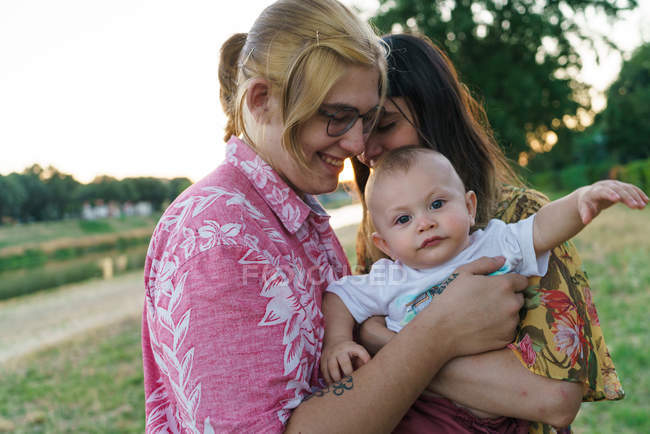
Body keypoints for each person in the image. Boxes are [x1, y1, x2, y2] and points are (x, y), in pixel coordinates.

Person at [141, 2, 530, 433]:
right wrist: (436, 334)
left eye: (365, 120)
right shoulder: (216, 239)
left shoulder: (291, 209)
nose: (357, 144)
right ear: (261, 100)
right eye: (338, 116)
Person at [351, 33, 626, 433]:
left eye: (386, 125)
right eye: (360, 130)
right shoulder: (378, 241)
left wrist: (384, 342)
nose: (364, 148)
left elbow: (555, 399)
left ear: (434, 114)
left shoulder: (520, 216)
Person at [323, 146, 647, 429]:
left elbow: (542, 228)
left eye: (437, 204)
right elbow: (340, 296)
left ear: (469, 207)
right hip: (424, 413)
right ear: (385, 244)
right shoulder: (390, 277)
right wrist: (337, 342)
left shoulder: (492, 243)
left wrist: (582, 200)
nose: (425, 222)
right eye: (403, 220)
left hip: (503, 413)